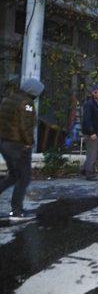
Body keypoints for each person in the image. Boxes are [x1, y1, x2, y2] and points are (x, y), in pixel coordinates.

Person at [0, 78, 44, 221]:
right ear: (33, 91)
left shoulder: (7, 99)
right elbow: (25, 126)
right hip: (18, 145)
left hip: (5, 143)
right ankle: (16, 211)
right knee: (24, 178)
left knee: (13, 176)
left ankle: (16, 209)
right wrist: (29, 142)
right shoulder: (27, 103)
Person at [81, 84, 98, 181]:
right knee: (92, 154)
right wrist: (91, 132)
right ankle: (89, 174)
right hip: (92, 133)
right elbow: (87, 120)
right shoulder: (90, 104)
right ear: (94, 93)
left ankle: (84, 169)